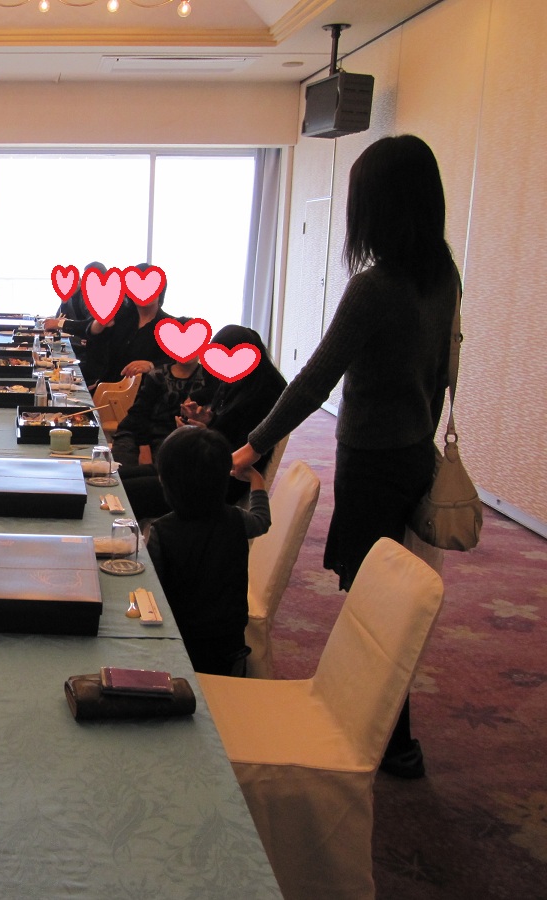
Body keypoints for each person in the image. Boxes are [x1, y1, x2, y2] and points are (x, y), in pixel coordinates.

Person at [231, 134, 459, 779]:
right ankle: (394, 736)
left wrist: (252, 445)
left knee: (372, 599)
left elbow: (313, 381)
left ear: (380, 208)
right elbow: (440, 373)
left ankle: (391, 739)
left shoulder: (375, 287)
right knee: (390, 591)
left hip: (373, 461)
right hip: (414, 454)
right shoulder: (442, 274)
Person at [121, 324, 285, 520]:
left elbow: (241, 454)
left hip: (215, 484)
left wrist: (205, 432)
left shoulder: (263, 396)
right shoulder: (241, 383)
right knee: (114, 478)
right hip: (199, 466)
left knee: (123, 492)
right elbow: (228, 431)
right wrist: (205, 424)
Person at [146, 426, 271, 676]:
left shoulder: (161, 531)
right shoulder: (237, 519)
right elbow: (262, 520)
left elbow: (151, 589)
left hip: (178, 643)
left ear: (165, 481)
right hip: (228, 645)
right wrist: (256, 479)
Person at [110, 351, 212, 470]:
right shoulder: (157, 374)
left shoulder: (209, 377)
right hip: (137, 432)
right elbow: (139, 414)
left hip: (172, 438)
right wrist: (144, 449)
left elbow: (217, 389)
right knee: (122, 469)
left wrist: (196, 397)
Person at [82, 262, 173, 388]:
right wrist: (99, 324)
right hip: (107, 388)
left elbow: (176, 364)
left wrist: (151, 365)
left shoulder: (168, 326)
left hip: (141, 394)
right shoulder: (122, 318)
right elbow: (95, 341)